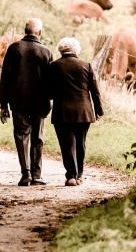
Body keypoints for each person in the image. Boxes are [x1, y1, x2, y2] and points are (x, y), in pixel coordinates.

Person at [0, 18, 53, 186]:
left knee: (22, 136)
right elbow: (51, 81)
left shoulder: (14, 49)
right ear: (40, 33)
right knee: (38, 137)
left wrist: (3, 105)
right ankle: (37, 175)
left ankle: (26, 174)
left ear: (25, 30)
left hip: (18, 102)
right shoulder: (46, 52)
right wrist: (50, 101)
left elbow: (5, 79)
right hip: (40, 102)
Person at [48, 37, 104, 186]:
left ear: (61, 50)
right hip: (83, 111)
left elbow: (49, 90)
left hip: (62, 111)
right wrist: (98, 110)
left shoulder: (53, 66)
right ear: (76, 50)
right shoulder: (86, 65)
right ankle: (79, 175)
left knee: (66, 144)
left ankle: (71, 176)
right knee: (81, 143)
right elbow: (95, 91)